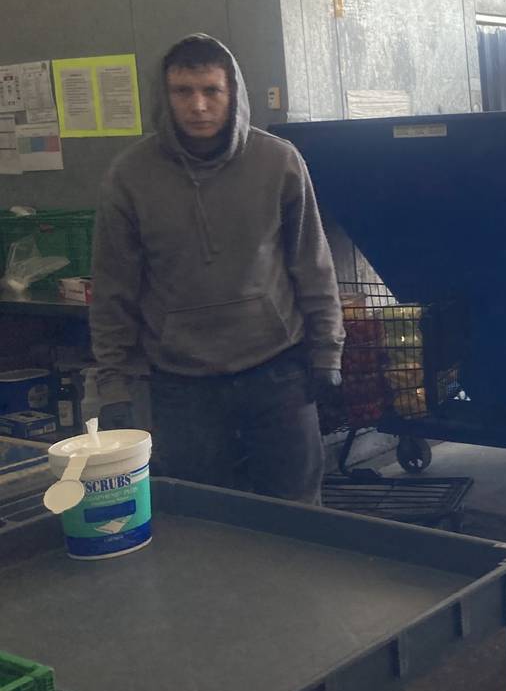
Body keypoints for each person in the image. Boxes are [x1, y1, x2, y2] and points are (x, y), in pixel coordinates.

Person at [90, 34, 343, 503]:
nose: (198, 106)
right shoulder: (129, 176)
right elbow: (113, 291)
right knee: (205, 516)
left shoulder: (279, 162)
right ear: (165, 96)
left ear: (233, 93)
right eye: (183, 91)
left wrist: (327, 353)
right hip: (182, 383)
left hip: (277, 372)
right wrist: (114, 385)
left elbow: (313, 265)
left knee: (300, 515)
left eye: (211, 90)